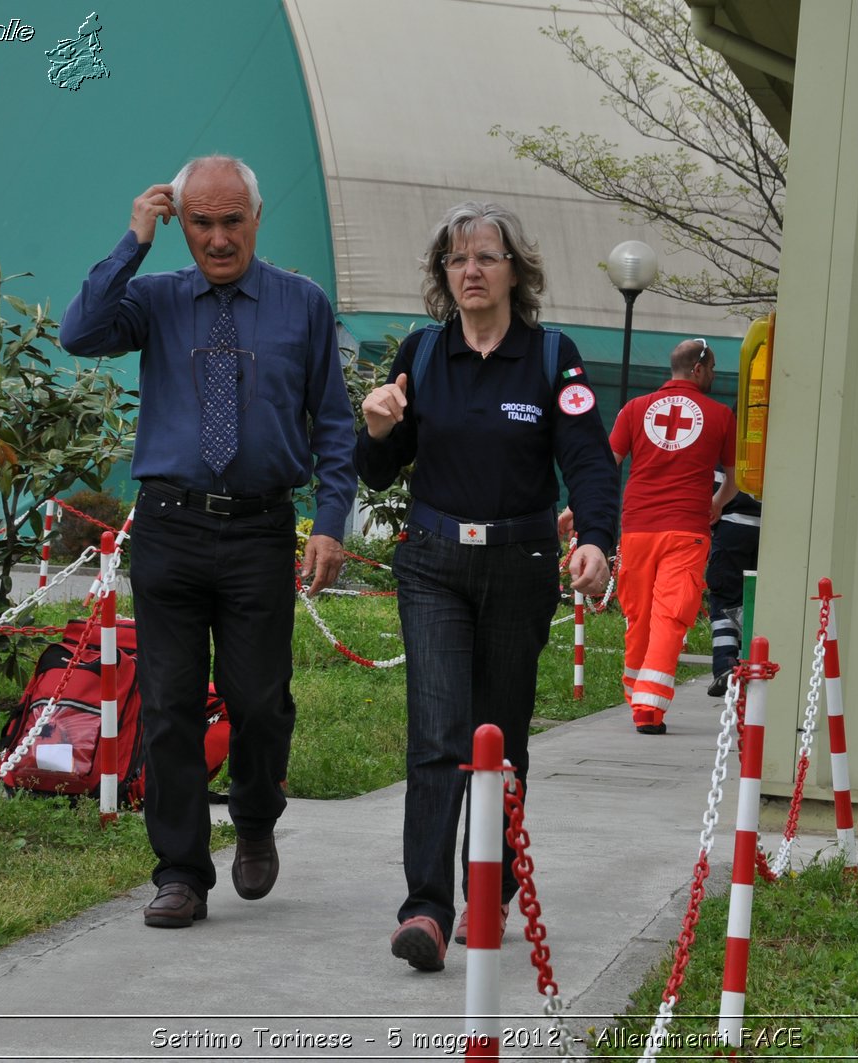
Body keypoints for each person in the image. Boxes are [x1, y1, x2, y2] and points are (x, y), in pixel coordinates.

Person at [59, 155, 356, 930]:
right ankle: (181, 872)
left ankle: (255, 819)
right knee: (170, 705)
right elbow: (80, 331)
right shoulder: (154, 300)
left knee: (260, 700)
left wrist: (330, 520)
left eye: (233, 221)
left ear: (257, 219)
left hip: (260, 526)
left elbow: (332, 422)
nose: (219, 239)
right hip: (171, 525)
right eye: (201, 222)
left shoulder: (303, 304)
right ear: (179, 220)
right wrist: (134, 241)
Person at [357, 201, 618, 972]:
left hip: (520, 565)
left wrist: (598, 538)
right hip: (433, 562)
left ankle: (491, 890)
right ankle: (427, 910)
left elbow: (590, 458)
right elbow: (377, 468)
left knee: (497, 739)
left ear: (515, 271)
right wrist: (373, 427)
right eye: (456, 259)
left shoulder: (550, 358)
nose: (470, 270)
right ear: (444, 275)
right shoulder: (423, 353)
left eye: (485, 257)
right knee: (438, 736)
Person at [594, 338, 736, 735]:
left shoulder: (634, 409)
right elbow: (735, 478)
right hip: (687, 530)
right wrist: (718, 503)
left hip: (637, 527)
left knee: (638, 615)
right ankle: (648, 705)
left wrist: (577, 510)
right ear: (698, 368)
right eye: (712, 369)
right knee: (670, 616)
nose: (714, 376)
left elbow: (606, 467)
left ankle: (638, 695)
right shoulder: (721, 415)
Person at [706, 476, 761, 697]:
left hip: (731, 526)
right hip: (771, 532)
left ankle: (726, 664)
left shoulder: (733, 444)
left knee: (725, 600)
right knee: (756, 601)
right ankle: (749, 660)